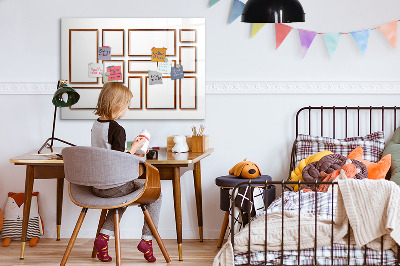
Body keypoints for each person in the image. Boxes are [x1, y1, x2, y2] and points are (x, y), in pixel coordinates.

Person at [91, 82, 161, 263]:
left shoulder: (96, 125)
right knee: (156, 194)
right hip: (114, 186)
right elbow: (119, 161)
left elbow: (108, 154)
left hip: (97, 186)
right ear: (117, 105)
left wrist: (131, 149)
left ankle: (103, 238)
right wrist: (136, 148)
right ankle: (147, 240)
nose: (127, 109)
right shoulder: (117, 129)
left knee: (121, 197)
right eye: (127, 105)